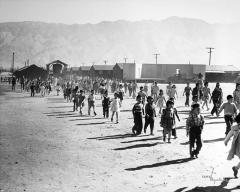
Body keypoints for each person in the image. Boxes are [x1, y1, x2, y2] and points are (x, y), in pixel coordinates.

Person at [224, 113, 240, 178]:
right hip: (238, 146)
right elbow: (230, 134)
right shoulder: (235, 127)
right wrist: (226, 141)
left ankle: (236, 168)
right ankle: (236, 168)